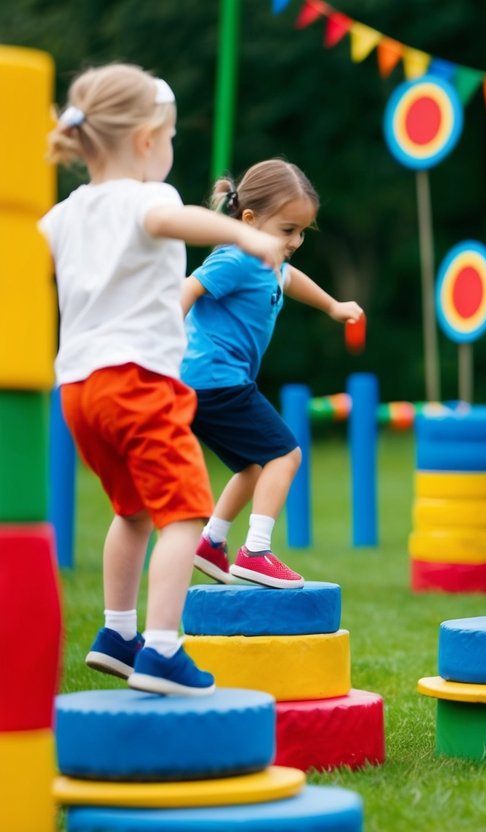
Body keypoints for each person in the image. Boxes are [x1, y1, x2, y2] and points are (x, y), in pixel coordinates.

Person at [40, 64, 284, 695]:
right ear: (148, 139)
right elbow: (175, 224)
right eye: (172, 137)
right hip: (138, 384)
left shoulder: (64, 213)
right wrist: (243, 236)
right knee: (184, 514)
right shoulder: (152, 197)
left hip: (77, 393)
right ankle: (164, 652)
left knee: (132, 512)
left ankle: (118, 635)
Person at [183, 160, 363, 589]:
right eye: (288, 230)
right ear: (249, 220)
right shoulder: (237, 257)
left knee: (253, 467)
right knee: (286, 454)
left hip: (215, 382)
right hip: (214, 378)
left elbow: (291, 278)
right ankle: (256, 551)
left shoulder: (271, 260)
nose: (296, 241)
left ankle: (211, 542)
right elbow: (188, 289)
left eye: (302, 231)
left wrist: (333, 306)